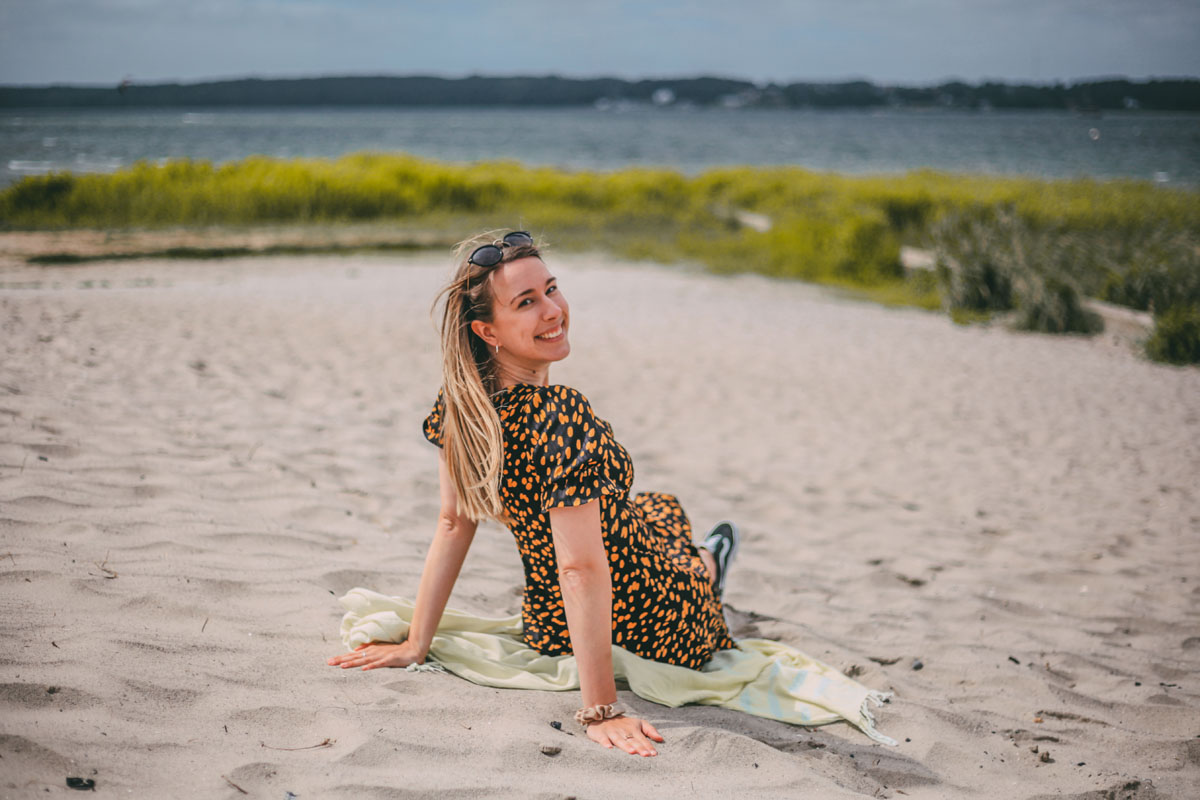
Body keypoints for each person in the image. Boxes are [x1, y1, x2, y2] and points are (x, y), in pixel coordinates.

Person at [328, 231, 740, 758]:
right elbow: (580, 568)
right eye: (526, 302)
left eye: (551, 289)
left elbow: (454, 523)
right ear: (487, 330)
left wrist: (416, 644)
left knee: (658, 509)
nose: (554, 310)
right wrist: (602, 710)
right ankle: (710, 566)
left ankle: (703, 556)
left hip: (550, 626)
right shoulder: (561, 414)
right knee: (678, 541)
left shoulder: (464, 406)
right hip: (658, 625)